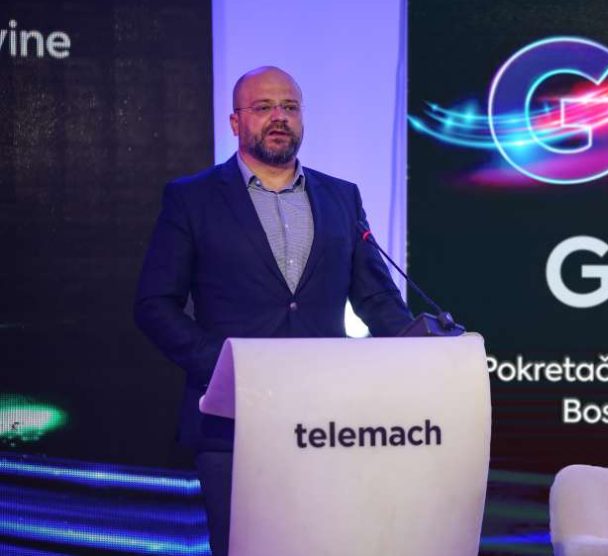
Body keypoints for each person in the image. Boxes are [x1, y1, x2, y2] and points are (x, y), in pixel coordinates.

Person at [134, 66, 412, 556]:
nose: (278, 117)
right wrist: (227, 366)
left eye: (289, 107)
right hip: (233, 425)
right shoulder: (192, 198)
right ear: (235, 122)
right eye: (263, 107)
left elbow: (376, 299)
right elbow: (155, 305)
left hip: (331, 424)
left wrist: (425, 352)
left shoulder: (342, 196)